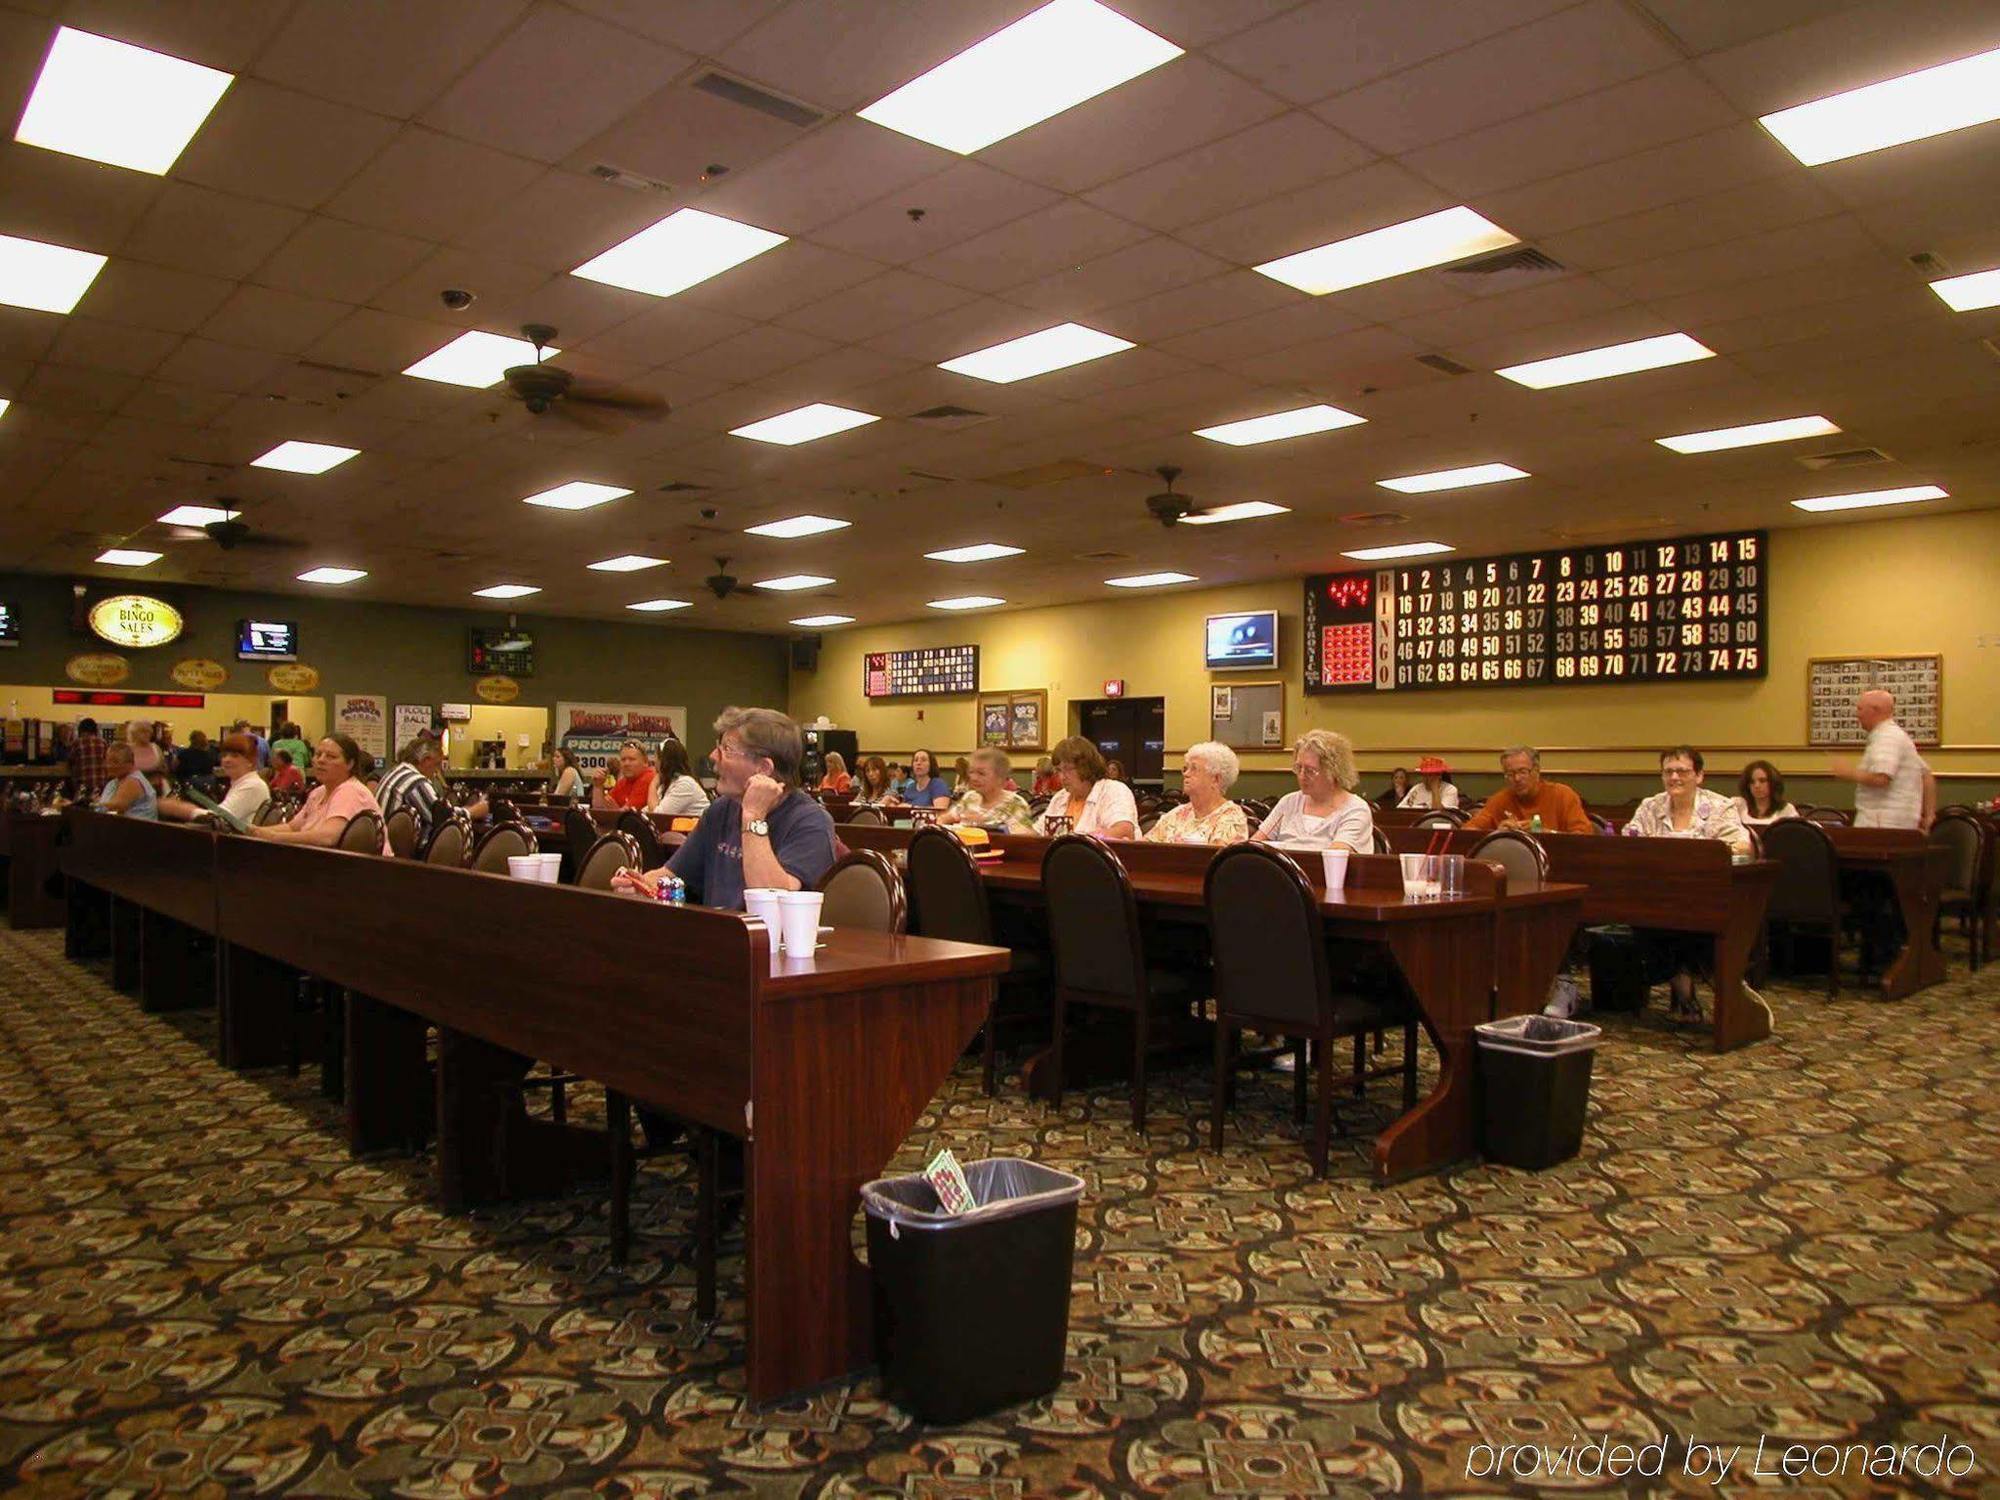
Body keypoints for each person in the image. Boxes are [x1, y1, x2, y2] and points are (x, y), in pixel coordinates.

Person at [613, 706, 838, 910]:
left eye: (727, 749)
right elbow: (668, 874)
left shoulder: (811, 822)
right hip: (719, 940)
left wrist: (753, 817)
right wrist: (639, 884)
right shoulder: (720, 810)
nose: (713, 757)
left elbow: (773, 901)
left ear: (763, 768)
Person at [1623, 746, 1751, 1022]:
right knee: (1648, 916)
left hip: (1705, 896)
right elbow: (1629, 842)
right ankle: (1681, 982)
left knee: (1688, 921)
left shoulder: (1720, 806)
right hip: (1657, 898)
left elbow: (1741, 846)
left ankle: (1688, 983)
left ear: (1699, 775)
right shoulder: (1650, 806)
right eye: (1668, 771)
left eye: (1682, 771)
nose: (1674, 777)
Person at [250, 735, 388, 851]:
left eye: (331, 756)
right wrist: (258, 832)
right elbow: (293, 827)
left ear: (350, 764)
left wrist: (274, 837)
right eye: (318, 754)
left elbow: (328, 837)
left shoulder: (350, 791)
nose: (321, 760)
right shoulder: (318, 792)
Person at [1252, 729, 1374, 851]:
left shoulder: (1355, 809)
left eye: (1310, 771)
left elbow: (1336, 860)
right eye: (1298, 768)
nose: (1301, 776)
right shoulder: (1289, 802)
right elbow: (1254, 846)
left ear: (1333, 772)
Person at [1831, 689, 1934, 831]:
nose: (1857, 715)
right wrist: (1929, 816)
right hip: (1896, 823)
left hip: (1883, 825)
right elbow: (1926, 774)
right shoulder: (1896, 735)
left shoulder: (1886, 738)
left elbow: (1882, 778)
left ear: (1875, 710)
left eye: (1860, 709)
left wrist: (1849, 773)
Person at [1461, 746, 1595, 833]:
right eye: (1510, 774)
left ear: (1537, 771)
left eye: (1523, 772)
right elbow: (1468, 831)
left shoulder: (1563, 795)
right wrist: (1497, 834)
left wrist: (1547, 834)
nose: (1517, 778)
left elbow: (1584, 836)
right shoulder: (1499, 800)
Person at [158, 733, 270, 826]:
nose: (226, 760)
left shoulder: (252, 786)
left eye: (235, 756)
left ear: (250, 761)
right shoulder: (242, 784)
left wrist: (179, 809)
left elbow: (217, 818)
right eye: (225, 755)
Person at [1148, 741, 1248, 843]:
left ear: (1215, 779)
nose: (1186, 774)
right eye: (1186, 768)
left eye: (1194, 768)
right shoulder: (1177, 814)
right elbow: (1144, 847)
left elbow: (1218, 856)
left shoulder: (1231, 817)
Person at [1041, 736, 1138, 838]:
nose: (1062, 777)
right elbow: (1038, 833)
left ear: (1086, 767)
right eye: (1059, 770)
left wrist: (1082, 840)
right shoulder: (1060, 798)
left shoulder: (1114, 790)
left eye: (1067, 769)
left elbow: (1124, 832)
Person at [940, 747, 1036, 833]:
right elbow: (942, 819)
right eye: (971, 772)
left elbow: (1025, 840)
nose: (973, 778)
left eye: (981, 773)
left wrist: (981, 825)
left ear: (1000, 778)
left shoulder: (1015, 804)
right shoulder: (970, 797)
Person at [93, 742, 157, 819]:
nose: (109, 766)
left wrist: (92, 805)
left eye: (115, 762)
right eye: (108, 761)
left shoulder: (133, 781)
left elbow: (116, 808)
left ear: (129, 763)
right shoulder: (114, 782)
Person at [652, 738, 710, 817]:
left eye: (656, 756)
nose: (654, 760)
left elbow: (656, 816)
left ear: (663, 761)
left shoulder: (685, 784)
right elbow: (647, 809)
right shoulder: (668, 784)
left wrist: (652, 786)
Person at [595, 740, 656, 810]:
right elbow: (599, 810)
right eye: (623, 760)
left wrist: (615, 812)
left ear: (645, 762)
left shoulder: (649, 777)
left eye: (632, 759)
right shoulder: (623, 782)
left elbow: (627, 815)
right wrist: (598, 786)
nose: (626, 764)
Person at [1733, 760, 1798, 825]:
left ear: (1773, 783)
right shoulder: (1738, 805)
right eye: (1752, 782)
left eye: (1762, 781)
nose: (1757, 786)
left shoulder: (1787, 810)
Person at [67, 717, 107, 801]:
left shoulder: (77, 743)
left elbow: (70, 760)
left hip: (82, 784)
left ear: (80, 730)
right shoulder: (103, 743)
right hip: (100, 785)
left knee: (80, 810)